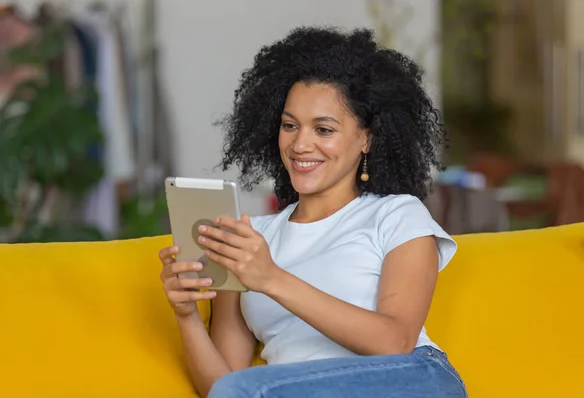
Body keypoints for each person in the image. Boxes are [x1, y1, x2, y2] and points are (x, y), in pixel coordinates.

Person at [158, 26, 467, 398]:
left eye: (323, 129)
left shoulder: (398, 214)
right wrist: (187, 316)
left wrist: (271, 278)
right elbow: (224, 387)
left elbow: (394, 341)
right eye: (290, 126)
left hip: (411, 380)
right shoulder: (249, 239)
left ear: (367, 137)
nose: (300, 144)